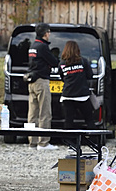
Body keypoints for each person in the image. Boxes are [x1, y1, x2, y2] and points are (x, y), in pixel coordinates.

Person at [27, 23, 59, 151]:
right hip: (42, 81)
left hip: (32, 82)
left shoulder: (33, 46)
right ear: (46, 33)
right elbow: (54, 62)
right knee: (45, 112)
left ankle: (32, 142)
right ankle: (43, 143)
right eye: (49, 32)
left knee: (32, 114)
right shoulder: (43, 47)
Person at [57, 40, 96, 131]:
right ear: (77, 50)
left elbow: (62, 77)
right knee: (89, 119)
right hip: (82, 95)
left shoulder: (62, 64)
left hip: (67, 96)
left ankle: (70, 143)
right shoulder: (83, 61)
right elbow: (90, 75)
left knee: (68, 121)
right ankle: (93, 142)